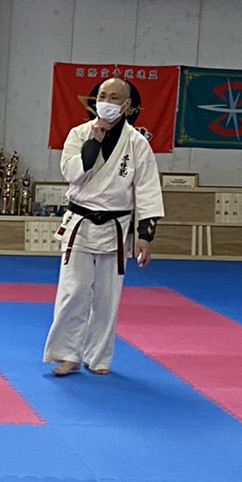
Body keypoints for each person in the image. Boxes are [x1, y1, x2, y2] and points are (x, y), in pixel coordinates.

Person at [43, 76, 164, 377]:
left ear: (127, 105)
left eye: (114, 97)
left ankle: (98, 357)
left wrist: (145, 235)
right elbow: (71, 174)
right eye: (102, 96)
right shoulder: (79, 133)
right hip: (80, 224)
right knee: (73, 292)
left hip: (116, 227)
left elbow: (147, 190)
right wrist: (93, 142)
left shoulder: (137, 143)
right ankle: (67, 354)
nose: (106, 102)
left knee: (107, 299)